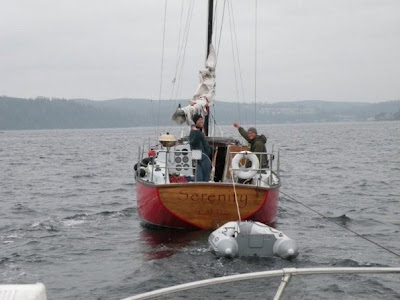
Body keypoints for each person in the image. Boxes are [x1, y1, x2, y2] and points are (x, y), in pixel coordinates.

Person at [190, 114, 212, 181]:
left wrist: (211, 149)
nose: (201, 121)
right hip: (201, 157)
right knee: (202, 177)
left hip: (203, 157)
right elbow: (193, 142)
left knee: (202, 177)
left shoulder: (199, 132)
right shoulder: (194, 132)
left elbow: (204, 144)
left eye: (202, 119)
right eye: (199, 120)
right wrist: (197, 132)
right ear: (195, 121)